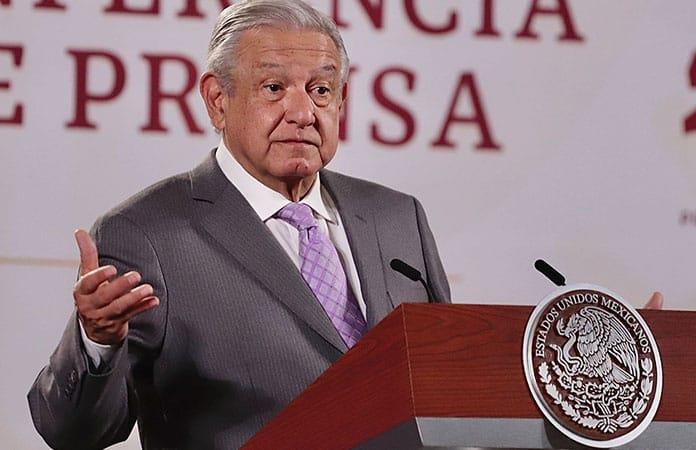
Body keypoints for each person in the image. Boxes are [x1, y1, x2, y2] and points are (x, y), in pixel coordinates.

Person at [27, 1, 451, 448]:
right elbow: (73, 432)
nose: (303, 112)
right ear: (217, 100)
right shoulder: (145, 234)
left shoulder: (397, 217)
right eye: (274, 88)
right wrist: (98, 342)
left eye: (321, 90)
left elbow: (449, 386)